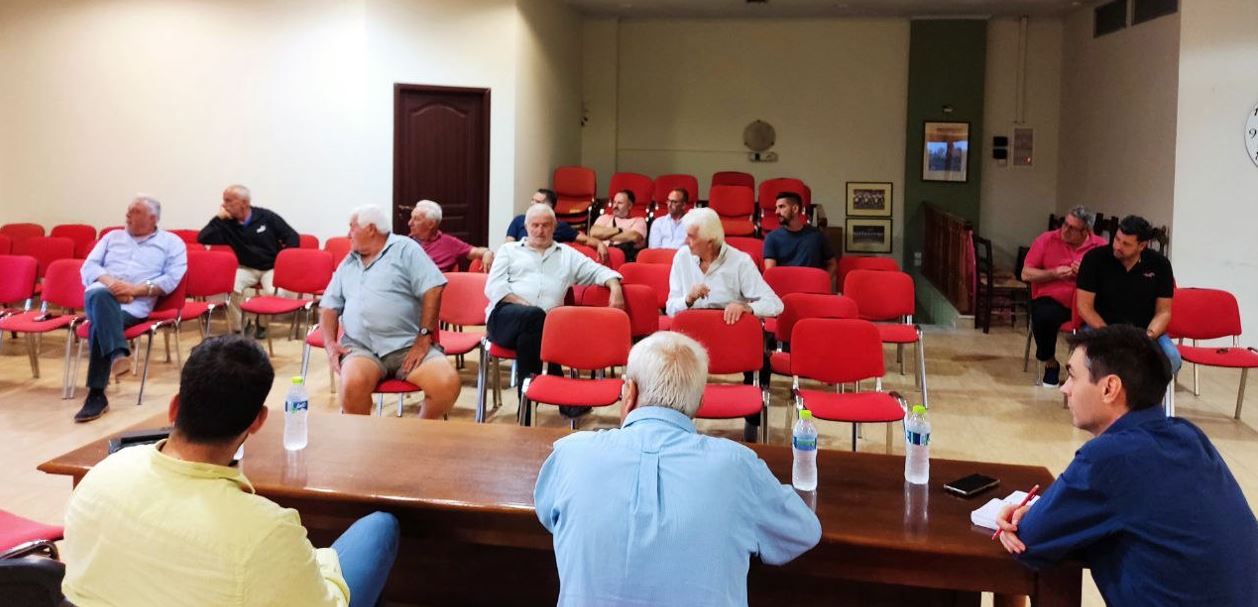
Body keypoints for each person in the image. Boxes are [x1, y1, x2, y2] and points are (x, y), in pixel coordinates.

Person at [61, 335, 401, 607]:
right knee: (380, 526)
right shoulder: (267, 530)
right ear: (258, 421)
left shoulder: (101, 475)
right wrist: (320, 562)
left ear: (174, 407)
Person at [534, 331, 821, 606]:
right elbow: (804, 530)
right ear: (699, 404)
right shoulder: (737, 466)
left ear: (629, 393)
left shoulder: (570, 454)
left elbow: (548, 515)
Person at [995, 325, 1258, 606]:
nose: (1065, 388)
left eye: (1072, 376)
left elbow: (1031, 541)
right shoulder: (1188, 434)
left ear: (1109, 388)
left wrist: (1026, 519)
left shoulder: (1109, 456)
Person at [320, 205, 460, 418]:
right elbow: (329, 305)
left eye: (352, 227)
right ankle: (364, 437)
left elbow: (433, 287)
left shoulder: (405, 249)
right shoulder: (349, 261)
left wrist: (424, 338)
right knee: (351, 385)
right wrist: (330, 344)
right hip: (360, 347)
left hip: (406, 346)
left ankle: (417, 433)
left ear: (371, 229)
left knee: (446, 384)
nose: (348, 234)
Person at [485, 203, 624, 403]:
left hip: (541, 331)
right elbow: (494, 287)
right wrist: (525, 305)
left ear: (554, 227)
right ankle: (564, 397)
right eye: (535, 225)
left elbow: (598, 271)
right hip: (503, 319)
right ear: (526, 227)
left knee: (528, 338)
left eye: (545, 225)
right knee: (535, 316)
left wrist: (615, 287)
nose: (540, 230)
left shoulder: (567, 255)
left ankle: (526, 407)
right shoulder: (508, 250)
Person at [76, 196, 187, 422]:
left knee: (100, 324)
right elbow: (89, 267)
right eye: (128, 210)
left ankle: (97, 395)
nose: (127, 215)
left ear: (152, 218)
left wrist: (134, 290)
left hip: (134, 304)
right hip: (100, 294)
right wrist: (112, 285)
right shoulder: (111, 237)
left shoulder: (172, 243)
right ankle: (117, 353)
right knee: (100, 296)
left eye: (135, 212)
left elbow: (171, 279)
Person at [1075, 214, 1180, 374]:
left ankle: (1145, 390)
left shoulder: (1160, 265)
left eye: (1126, 244)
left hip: (1143, 331)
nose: (1117, 246)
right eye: (1117, 239)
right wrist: (1110, 335)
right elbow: (1084, 307)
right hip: (1101, 328)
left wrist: (1147, 338)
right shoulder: (1094, 259)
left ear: (1142, 245)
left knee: (1172, 359)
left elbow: (1164, 312)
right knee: (1087, 361)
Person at [1021, 206, 1108, 387]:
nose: (1065, 230)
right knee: (1043, 316)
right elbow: (1026, 274)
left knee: (1108, 320)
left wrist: (1086, 272)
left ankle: (1086, 371)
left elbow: (1110, 280)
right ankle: (1050, 362)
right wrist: (1053, 273)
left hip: (1087, 302)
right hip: (1053, 299)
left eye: (1072, 228)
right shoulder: (1046, 239)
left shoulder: (1100, 246)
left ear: (1085, 231)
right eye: (1065, 224)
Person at [197, 185, 301, 335]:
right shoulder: (226, 223)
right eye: (224, 200)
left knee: (275, 292)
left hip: (271, 267)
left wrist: (284, 261)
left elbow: (292, 236)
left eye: (228, 201)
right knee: (229, 288)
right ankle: (242, 326)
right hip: (246, 267)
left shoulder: (265, 216)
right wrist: (218, 219)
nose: (224, 205)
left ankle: (262, 323)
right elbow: (202, 238)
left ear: (244, 203)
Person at [667, 207, 783, 323]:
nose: (685, 241)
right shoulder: (682, 257)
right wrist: (687, 300)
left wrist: (747, 307)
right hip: (690, 327)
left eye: (691, 237)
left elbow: (775, 304)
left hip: (727, 327)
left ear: (710, 242)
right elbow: (670, 309)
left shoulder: (741, 262)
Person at [505, 188, 610, 262]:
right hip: (518, 264)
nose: (532, 204)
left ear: (549, 206)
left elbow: (585, 240)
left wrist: (599, 244)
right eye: (532, 200)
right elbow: (508, 246)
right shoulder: (519, 220)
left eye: (537, 201)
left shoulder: (559, 226)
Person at [407, 199, 493, 272]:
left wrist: (487, 253)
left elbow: (478, 252)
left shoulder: (449, 243)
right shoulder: (405, 243)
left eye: (416, 219)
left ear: (431, 224)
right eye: (411, 218)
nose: (410, 223)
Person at [762, 192, 836, 276]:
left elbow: (832, 264)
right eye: (776, 208)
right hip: (785, 283)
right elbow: (770, 274)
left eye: (781, 207)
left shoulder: (817, 236)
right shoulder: (771, 238)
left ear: (795, 209)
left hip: (811, 283)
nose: (776, 212)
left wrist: (822, 281)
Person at [588, 189, 647, 261]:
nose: (615, 206)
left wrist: (603, 235)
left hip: (623, 258)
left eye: (620, 203)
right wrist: (618, 230)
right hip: (599, 255)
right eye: (614, 202)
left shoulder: (638, 220)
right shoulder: (604, 217)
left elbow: (634, 237)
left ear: (629, 206)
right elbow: (593, 233)